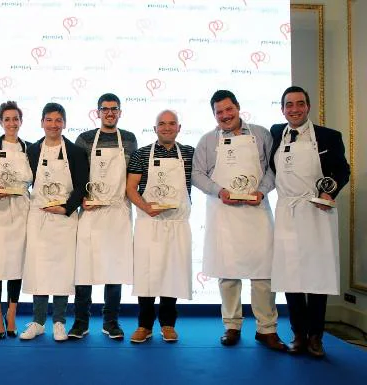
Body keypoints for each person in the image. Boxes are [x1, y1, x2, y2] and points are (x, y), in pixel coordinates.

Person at [192, 90, 286, 351]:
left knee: (263, 274)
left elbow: (272, 169)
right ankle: (231, 326)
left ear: (238, 108)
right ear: (214, 115)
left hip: (256, 212)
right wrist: (219, 192)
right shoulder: (208, 140)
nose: (225, 115)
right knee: (228, 273)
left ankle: (266, 329)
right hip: (224, 213)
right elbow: (197, 174)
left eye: (228, 109)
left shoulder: (261, 134)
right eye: (219, 112)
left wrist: (262, 191)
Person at [270, 86, 350, 357]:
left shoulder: (328, 136)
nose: (294, 109)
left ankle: (316, 336)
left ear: (309, 106)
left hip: (316, 210)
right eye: (289, 105)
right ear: (282, 109)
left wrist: (329, 192)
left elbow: (342, 169)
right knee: (291, 276)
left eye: (300, 104)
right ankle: (299, 335)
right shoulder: (275, 133)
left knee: (317, 275)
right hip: (286, 211)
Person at [69, 93, 137, 340]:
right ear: (97, 112)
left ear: (120, 112)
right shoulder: (85, 139)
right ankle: (80, 321)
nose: (110, 113)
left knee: (115, 268)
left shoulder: (129, 140)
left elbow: (132, 176)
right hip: (91, 211)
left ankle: (111, 322)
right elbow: (76, 175)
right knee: (84, 268)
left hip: (118, 212)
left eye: (114, 109)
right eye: (105, 109)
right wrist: (81, 200)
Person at [20, 102, 89, 342]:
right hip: (38, 216)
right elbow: (23, 182)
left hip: (63, 219)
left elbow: (82, 185)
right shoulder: (31, 151)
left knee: (62, 271)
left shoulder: (76, 152)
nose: (53, 124)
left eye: (58, 120)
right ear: (41, 123)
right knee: (39, 270)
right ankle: (38, 322)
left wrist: (67, 208)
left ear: (65, 124)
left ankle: (59, 321)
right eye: (49, 120)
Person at [126, 110, 194, 343]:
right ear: (155, 129)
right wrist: (145, 207)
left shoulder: (189, 153)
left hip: (177, 224)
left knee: (172, 273)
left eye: (171, 124)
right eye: (162, 124)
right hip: (149, 222)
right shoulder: (141, 154)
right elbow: (131, 188)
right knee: (146, 275)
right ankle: (144, 325)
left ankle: (168, 324)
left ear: (179, 127)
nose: (167, 128)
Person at [0, 101, 32, 339]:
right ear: (1, 122)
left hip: (21, 212)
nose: (12, 123)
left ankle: (12, 314)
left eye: (16, 119)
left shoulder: (30, 149)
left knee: (15, 265)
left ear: (21, 122)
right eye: (7, 119)